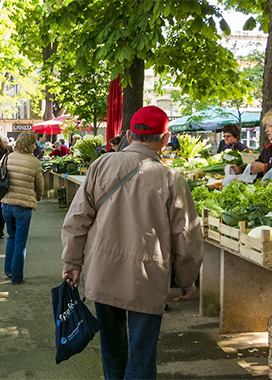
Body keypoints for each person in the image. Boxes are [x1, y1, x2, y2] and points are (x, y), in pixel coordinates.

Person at [61, 106, 202, 379]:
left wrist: (72, 262)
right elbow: (186, 235)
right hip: (147, 276)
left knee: (112, 350)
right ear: (165, 138)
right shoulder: (171, 178)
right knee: (142, 353)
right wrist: (187, 280)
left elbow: (77, 219)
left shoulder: (100, 165)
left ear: (128, 134)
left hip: (102, 271)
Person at [0, 132, 43, 285]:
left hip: (6, 204)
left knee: (11, 237)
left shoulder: (7, 157)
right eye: (33, 143)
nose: (35, 146)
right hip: (24, 207)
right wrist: (37, 197)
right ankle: (17, 276)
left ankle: (8, 269)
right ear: (29, 144)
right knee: (20, 241)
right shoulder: (35, 163)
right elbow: (39, 185)